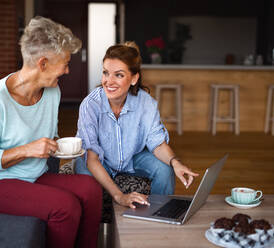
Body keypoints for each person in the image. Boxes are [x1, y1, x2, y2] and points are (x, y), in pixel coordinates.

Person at [0, 16, 102, 248]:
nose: (68, 70)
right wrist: (28, 150)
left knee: (90, 189)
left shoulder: (52, 92)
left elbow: (49, 135)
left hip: (32, 176)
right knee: (65, 206)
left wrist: (59, 146)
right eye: (65, 63)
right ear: (43, 63)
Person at [75, 41, 198, 209]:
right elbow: (92, 158)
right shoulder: (90, 105)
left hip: (132, 156)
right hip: (98, 160)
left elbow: (157, 144)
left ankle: (158, 214)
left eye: (118, 75)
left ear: (134, 78)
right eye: (105, 73)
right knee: (83, 172)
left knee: (164, 168)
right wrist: (119, 196)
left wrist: (176, 162)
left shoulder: (146, 103)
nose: (108, 81)